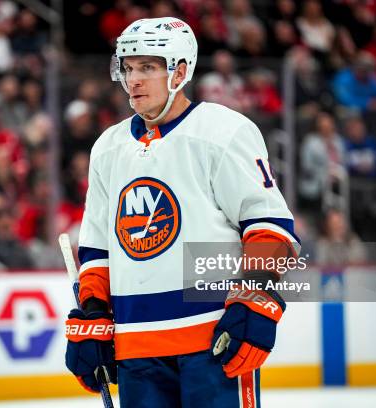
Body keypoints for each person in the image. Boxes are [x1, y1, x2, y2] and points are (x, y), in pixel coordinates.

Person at [64, 17, 299, 407]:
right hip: (136, 346)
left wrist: (257, 293)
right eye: (127, 68)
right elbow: (97, 249)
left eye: (148, 67)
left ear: (181, 71)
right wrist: (93, 310)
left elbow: (268, 226)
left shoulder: (224, 131)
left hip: (212, 339)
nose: (133, 79)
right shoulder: (107, 147)